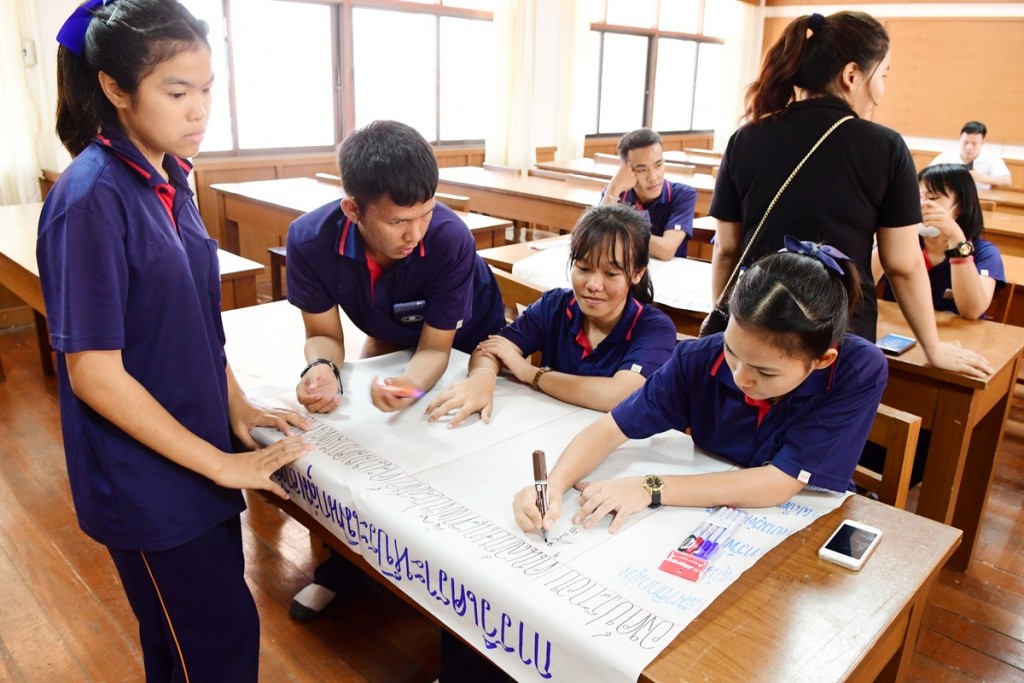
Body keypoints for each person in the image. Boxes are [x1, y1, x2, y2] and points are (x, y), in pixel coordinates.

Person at [36, 2, 313, 680]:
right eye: (178, 91)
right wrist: (218, 465)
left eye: (209, 88)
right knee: (216, 644)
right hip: (149, 481)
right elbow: (93, 373)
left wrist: (238, 407)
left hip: (193, 450)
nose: (200, 110)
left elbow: (195, 321)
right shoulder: (91, 198)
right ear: (114, 89)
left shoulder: (169, 177)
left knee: (187, 647)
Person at [284, 119, 506, 619]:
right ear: (352, 210)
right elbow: (322, 334)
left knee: (454, 465)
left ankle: (456, 603)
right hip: (392, 331)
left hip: (467, 346)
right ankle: (343, 568)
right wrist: (322, 367)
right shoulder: (309, 240)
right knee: (357, 448)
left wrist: (408, 384)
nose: (415, 233)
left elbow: (435, 349)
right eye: (398, 222)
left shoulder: (448, 238)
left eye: (425, 214)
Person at [513, 241, 888, 535]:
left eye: (764, 372)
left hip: (798, 522)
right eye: (732, 351)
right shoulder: (698, 358)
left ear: (821, 360)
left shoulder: (857, 370)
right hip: (703, 515)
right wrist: (552, 486)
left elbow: (779, 482)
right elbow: (611, 428)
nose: (741, 376)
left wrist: (649, 487)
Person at [708, 10, 992, 378]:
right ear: (853, 75)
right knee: (823, 431)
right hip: (835, 336)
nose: (882, 90)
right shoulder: (885, 147)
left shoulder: (746, 137)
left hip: (753, 327)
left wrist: (729, 324)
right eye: (883, 75)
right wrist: (933, 348)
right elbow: (903, 265)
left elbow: (727, 248)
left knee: (738, 428)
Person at [426, 203, 677, 427]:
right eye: (583, 268)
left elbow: (620, 395)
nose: (593, 284)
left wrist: (533, 374)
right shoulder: (556, 305)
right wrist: (483, 378)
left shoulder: (654, 328)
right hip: (550, 429)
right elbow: (492, 348)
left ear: (636, 274)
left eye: (611, 274)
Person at [873, 164, 1006, 319]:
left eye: (933, 198)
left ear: (959, 207)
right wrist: (895, 230)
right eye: (918, 197)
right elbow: (862, 283)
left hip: (957, 339)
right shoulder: (906, 242)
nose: (922, 205)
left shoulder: (985, 252)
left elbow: (972, 311)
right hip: (898, 333)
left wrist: (956, 238)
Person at [600, 128, 698, 260]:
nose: (653, 177)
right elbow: (598, 238)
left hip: (670, 275)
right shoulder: (615, 193)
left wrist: (617, 234)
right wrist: (614, 186)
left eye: (658, 165)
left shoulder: (683, 195)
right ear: (626, 170)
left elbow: (666, 250)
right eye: (642, 170)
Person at [929, 121, 1011, 191]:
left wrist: (978, 177)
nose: (969, 147)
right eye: (965, 142)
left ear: (983, 142)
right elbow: (927, 174)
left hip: (979, 200)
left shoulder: (992, 159)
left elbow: (1007, 180)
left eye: (974, 143)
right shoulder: (947, 156)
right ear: (959, 140)